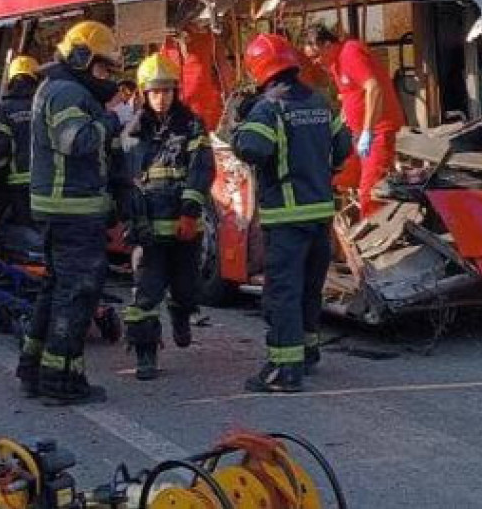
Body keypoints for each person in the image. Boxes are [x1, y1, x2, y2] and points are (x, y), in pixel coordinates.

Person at [231, 33, 351, 392]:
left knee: (283, 292)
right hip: (319, 215)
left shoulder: (269, 108)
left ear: (259, 70)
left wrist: (239, 124)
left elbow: (251, 148)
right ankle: (308, 353)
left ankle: (284, 370)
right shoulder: (318, 101)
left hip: (286, 217)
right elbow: (343, 145)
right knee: (309, 288)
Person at [15, 20, 127, 405]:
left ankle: (33, 368)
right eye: (103, 67)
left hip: (63, 208)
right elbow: (75, 141)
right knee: (77, 294)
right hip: (71, 209)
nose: (107, 76)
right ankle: (61, 381)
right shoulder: (65, 92)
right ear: (81, 58)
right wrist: (117, 120)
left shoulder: (62, 88)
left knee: (56, 289)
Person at [121, 53, 214, 380]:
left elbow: (201, 169)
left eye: (167, 91)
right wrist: (128, 217)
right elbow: (124, 179)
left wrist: (189, 213)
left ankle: (181, 313)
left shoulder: (191, 126)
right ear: (144, 94)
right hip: (147, 231)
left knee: (187, 288)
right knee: (144, 294)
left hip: (183, 228)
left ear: (176, 91)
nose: (162, 98)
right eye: (155, 92)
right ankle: (146, 355)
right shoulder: (131, 134)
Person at [301, 25, 404, 216]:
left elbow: (374, 88)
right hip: (360, 135)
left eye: (316, 56)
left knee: (370, 193)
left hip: (377, 133)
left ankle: (375, 239)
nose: (315, 62)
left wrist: (368, 131)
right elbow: (353, 93)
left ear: (327, 45)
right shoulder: (336, 65)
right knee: (342, 181)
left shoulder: (350, 53)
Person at [0, 55, 40, 228]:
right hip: (46, 180)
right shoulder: (43, 104)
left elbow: (1, 146)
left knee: (25, 228)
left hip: (19, 180)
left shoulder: (7, 109)